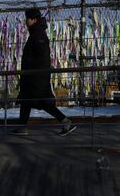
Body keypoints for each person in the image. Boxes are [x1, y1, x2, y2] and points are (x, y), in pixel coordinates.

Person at [11, 8, 76, 136]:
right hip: (33, 76)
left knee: (43, 103)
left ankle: (66, 121)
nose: (26, 21)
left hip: (36, 77)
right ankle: (22, 127)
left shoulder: (38, 35)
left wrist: (31, 70)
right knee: (26, 100)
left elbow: (40, 56)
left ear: (34, 20)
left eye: (27, 19)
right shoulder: (36, 33)